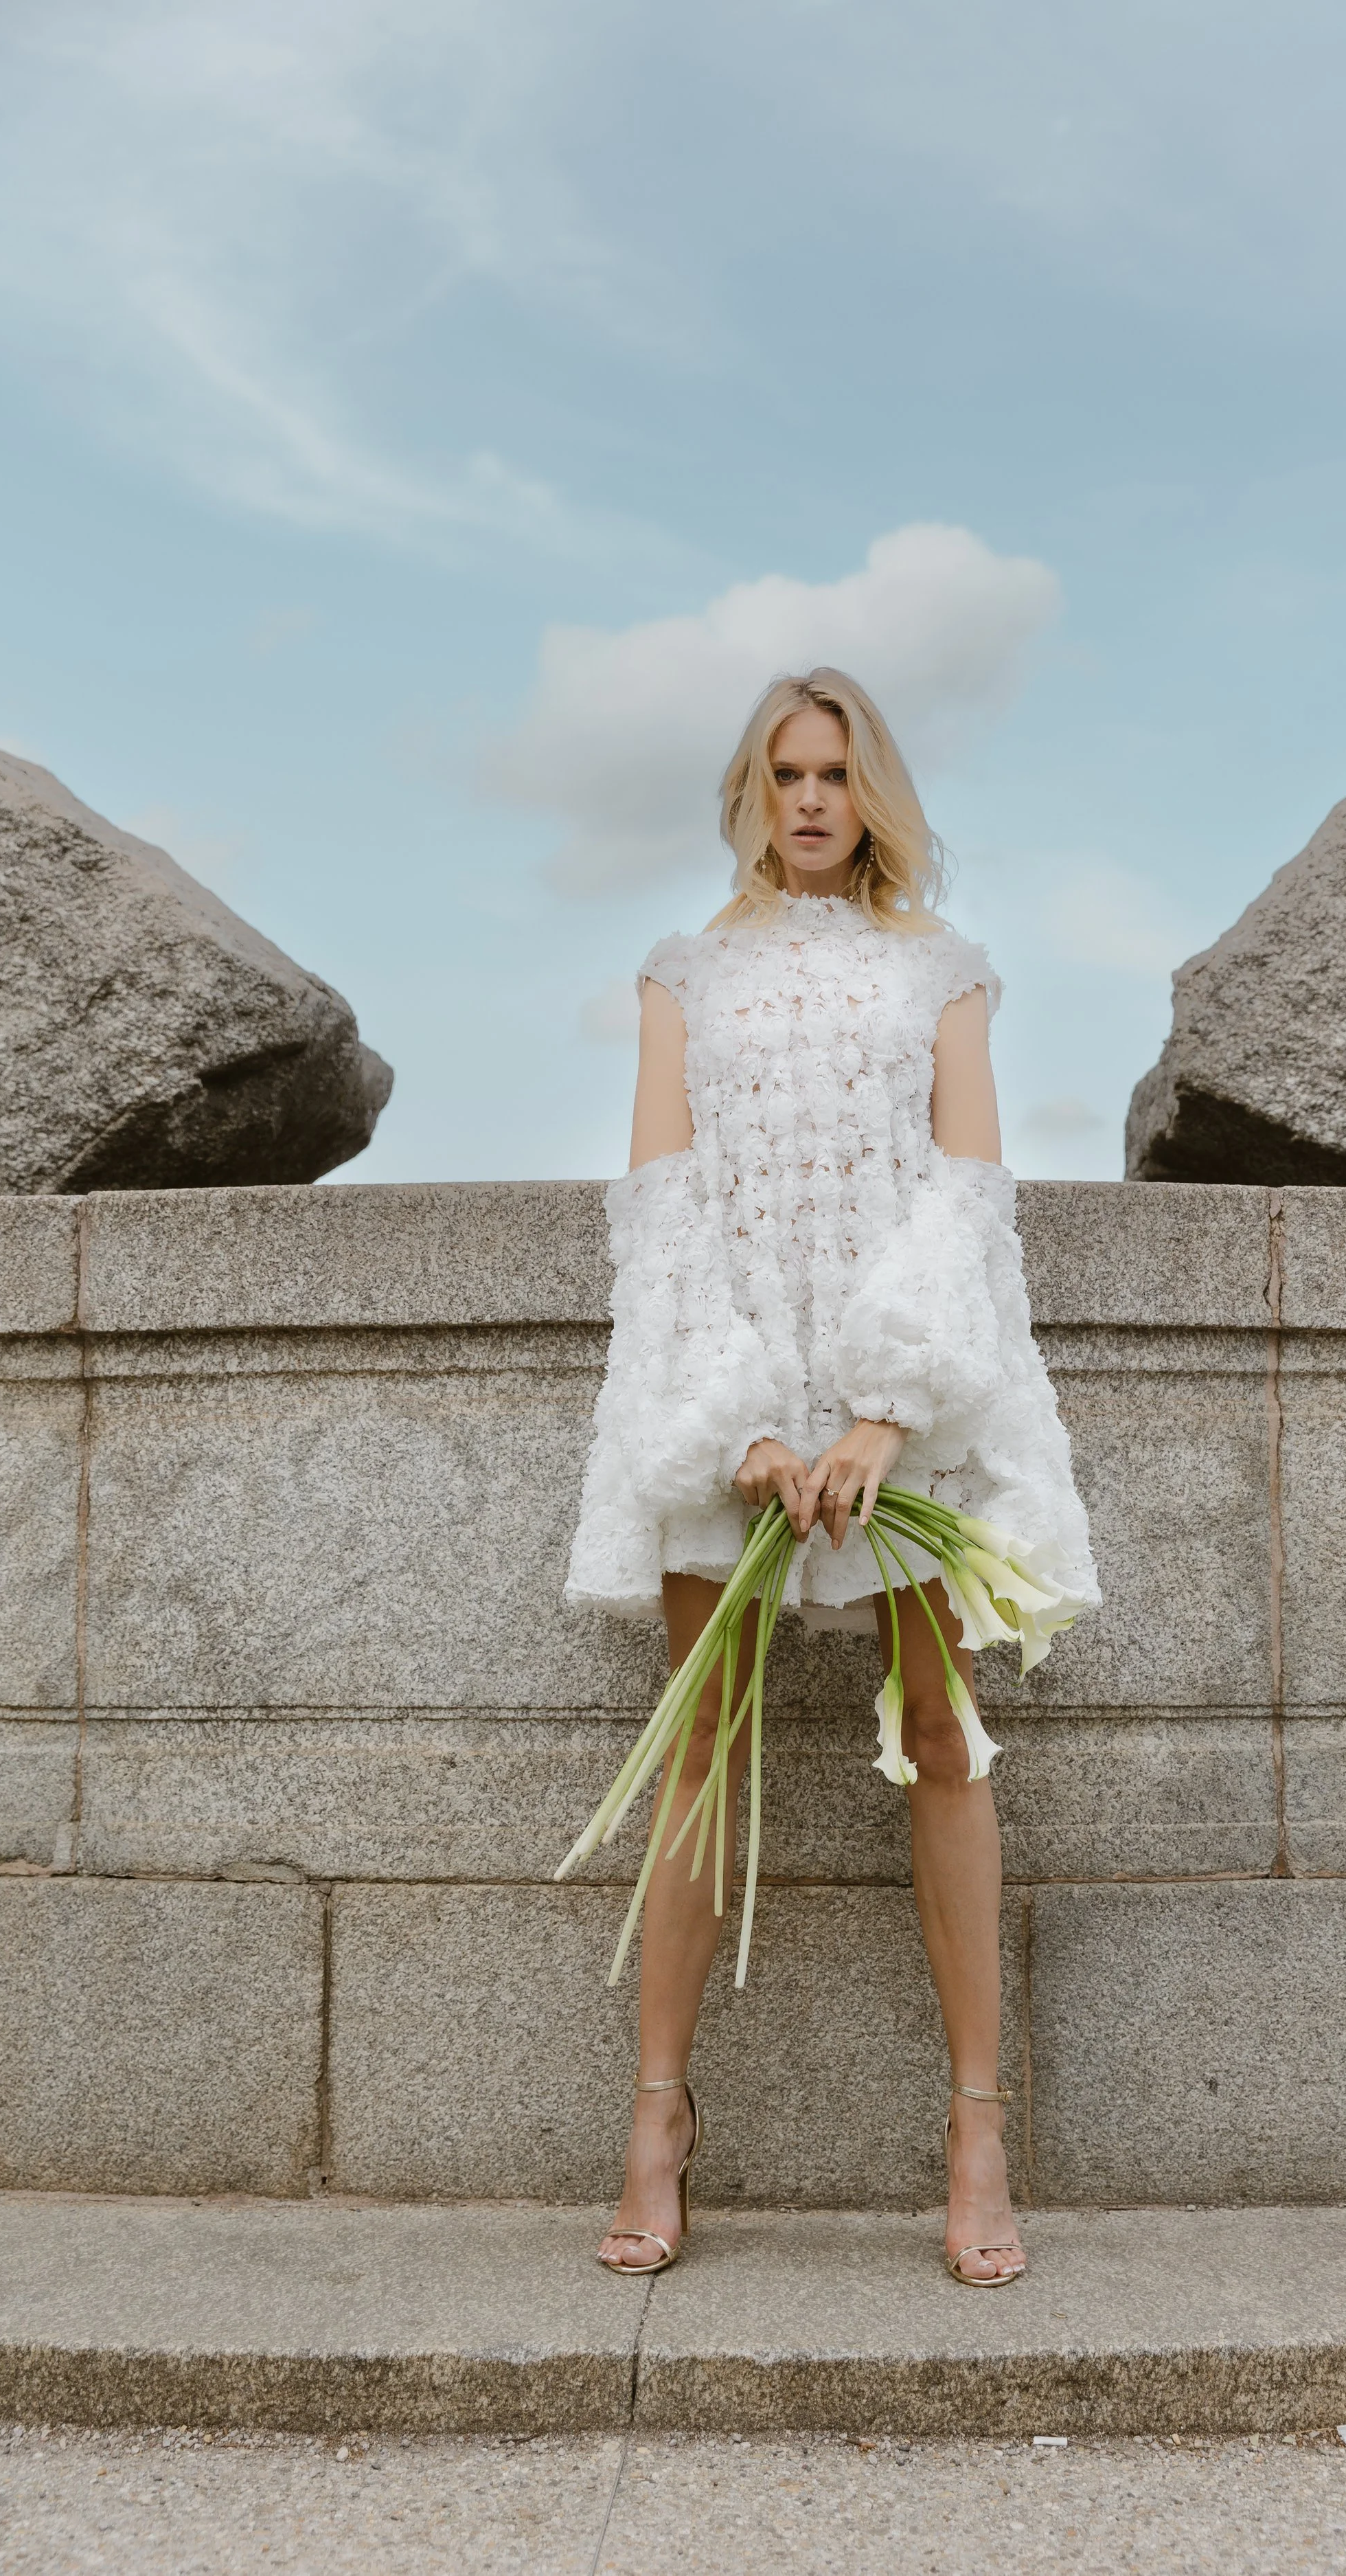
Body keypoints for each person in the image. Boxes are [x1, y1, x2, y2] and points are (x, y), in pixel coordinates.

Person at [565, 667, 1097, 2285]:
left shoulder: (939, 972)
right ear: (749, 790)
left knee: (941, 1731)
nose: (809, 800)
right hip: (724, 1392)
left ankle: (977, 2128)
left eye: (836, 774)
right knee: (702, 1747)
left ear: (872, 794)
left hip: (900, 1398)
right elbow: (660, 1207)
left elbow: (965, 1195)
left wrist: (877, 1411)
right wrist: (742, 1423)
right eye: (784, 773)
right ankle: (657, 2121)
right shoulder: (680, 975)